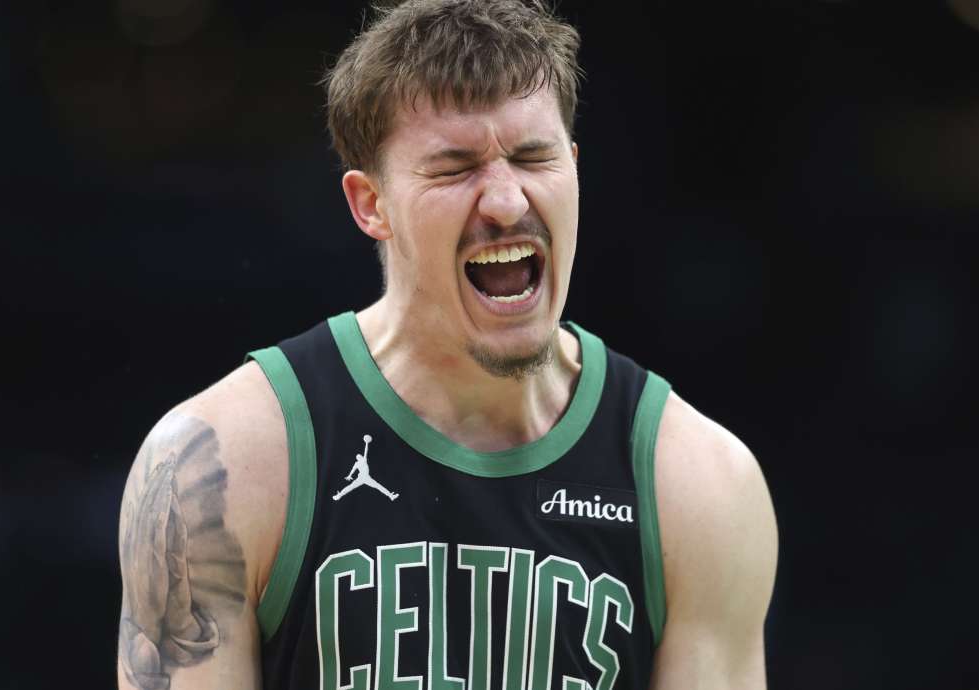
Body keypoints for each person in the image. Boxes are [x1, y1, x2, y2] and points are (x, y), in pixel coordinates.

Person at [116, 1, 778, 688]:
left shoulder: (697, 483)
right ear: (370, 203)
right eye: (455, 168)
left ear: (574, 167)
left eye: (533, 157)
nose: (505, 201)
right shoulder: (220, 465)